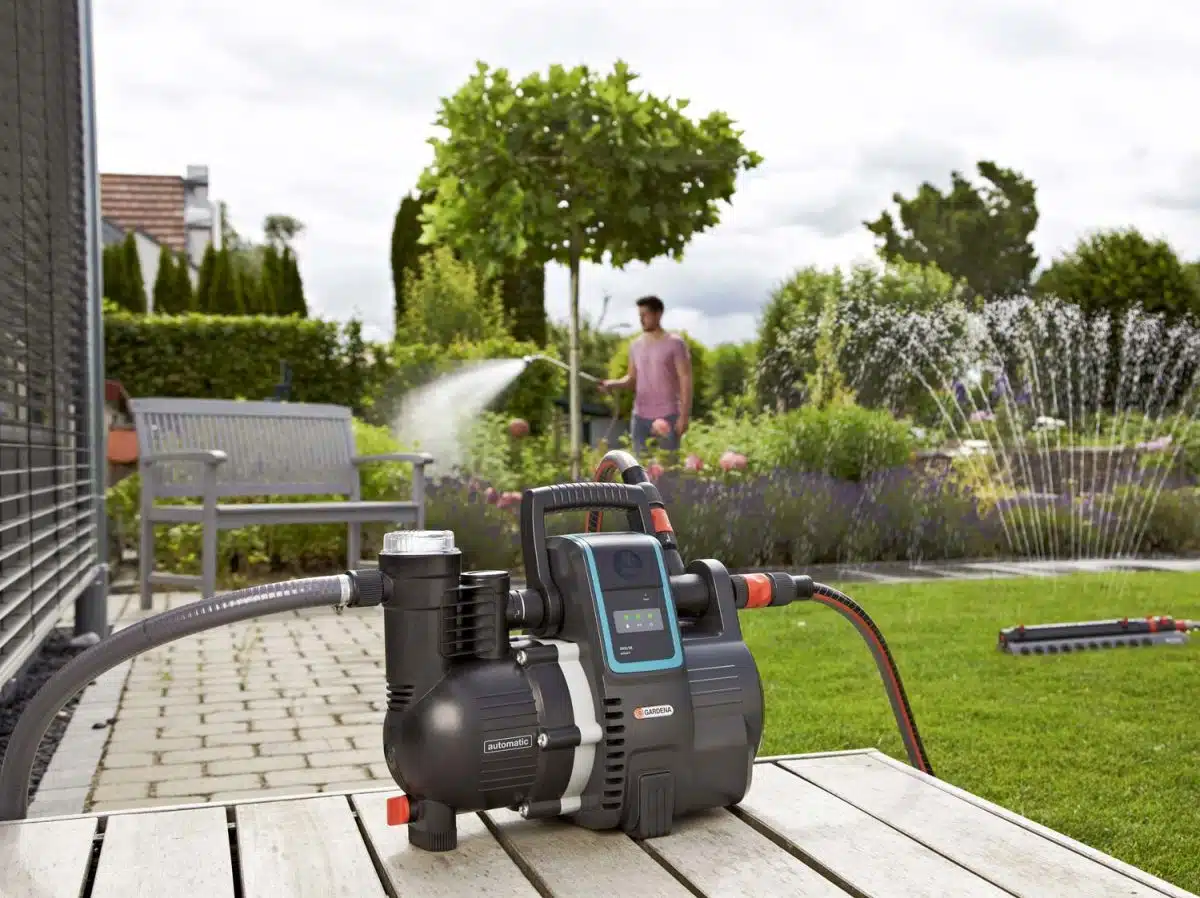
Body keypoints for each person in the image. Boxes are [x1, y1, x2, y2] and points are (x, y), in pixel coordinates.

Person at [599, 295, 693, 453]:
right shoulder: (635, 345)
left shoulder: (675, 343)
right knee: (638, 470)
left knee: (668, 469)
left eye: (645, 315)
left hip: (668, 415)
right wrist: (612, 384)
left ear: (658, 314)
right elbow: (631, 379)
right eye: (639, 315)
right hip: (640, 417)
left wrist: (684, 416)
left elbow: (686, 379)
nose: (641, 319)